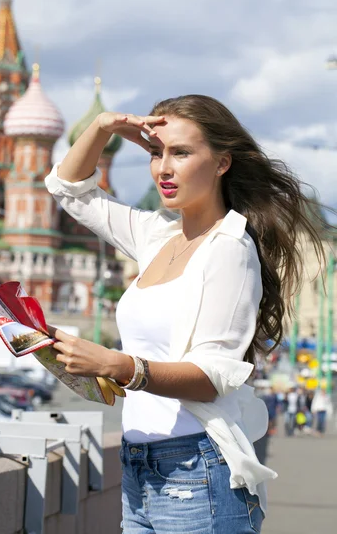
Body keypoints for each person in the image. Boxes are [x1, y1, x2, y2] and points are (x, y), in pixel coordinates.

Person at [45, 95, 326, 533]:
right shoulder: (157, 235)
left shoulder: (229, 248)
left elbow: (213, 378)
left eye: (181, 153)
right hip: (139, 468)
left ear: (221, 163)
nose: (163, 169)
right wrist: (103, 126)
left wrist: (117, 365)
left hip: (197, 471)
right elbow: (67, 187)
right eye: (156, 153)